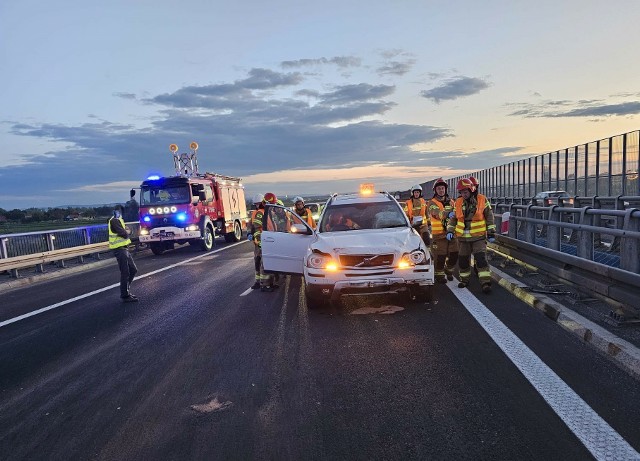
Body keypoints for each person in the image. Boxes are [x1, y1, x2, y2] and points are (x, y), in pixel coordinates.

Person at [446, 178, 496, 293]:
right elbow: (453, 219)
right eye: (461, 192)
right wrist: (449, 230)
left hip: (478, 237)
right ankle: (464, 280)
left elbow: (489, 216)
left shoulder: (482, 199)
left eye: (465, 192)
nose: (463, 194)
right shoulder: (458, 202)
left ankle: (485, 283)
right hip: (463, 238)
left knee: (481, 259)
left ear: (471, 190)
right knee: (463, 261)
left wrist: (491, 233)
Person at [426, 178, 459, 284]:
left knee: (455, 253)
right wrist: (447, 214)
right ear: (435, 190)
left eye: (443, 188)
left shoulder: (452, 202)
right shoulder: (432, 202)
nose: (441, 190)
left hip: (451, 233)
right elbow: (436, 212)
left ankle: (449, 270)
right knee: (440, 256)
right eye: (439, 188)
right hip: (439, 235)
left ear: (445, 189)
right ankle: (439, 275)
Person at [109, 204, 139, 302]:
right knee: (125, 272)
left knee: (133, 270)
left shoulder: (119, 220)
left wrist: (126, 232)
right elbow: (125, 233)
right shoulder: (114, 221)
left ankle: (126, 291)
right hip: (119, 249)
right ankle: (125, 295)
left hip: (124, 249)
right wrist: (126, 232)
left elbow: (129, 231)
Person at [256, 192, 278, 292]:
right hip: (265, 242)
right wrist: (260, 243)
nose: (274, 206)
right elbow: (256, 229)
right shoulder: (261, 213)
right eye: (272, 204)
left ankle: (271, 283)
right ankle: (264, 285)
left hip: (271, 241)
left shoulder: (269, 212)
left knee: (271, 263)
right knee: (265, 264)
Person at [248, 193, 264, 289]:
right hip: (257, 242)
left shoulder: (266, 212)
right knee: (257, 261)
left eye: (259, 204)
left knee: (264, 262)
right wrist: (249, 233)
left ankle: (264, 282)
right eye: (256, 204)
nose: (257, 206)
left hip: (265, 240)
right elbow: (250, 224)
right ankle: (258, 281)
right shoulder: (255, 213)